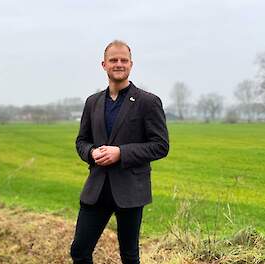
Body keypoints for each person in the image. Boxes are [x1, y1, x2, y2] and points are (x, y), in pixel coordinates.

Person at [70, 40, 170, 264]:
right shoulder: (92, 102)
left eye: (123, 60)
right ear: (103, 64)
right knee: (79, 251)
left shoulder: (148, 102)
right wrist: (91, 152)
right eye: (113, 60)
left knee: (129, 256)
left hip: (131, 191)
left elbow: (161, 145)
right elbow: (81, 141)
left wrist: (121, 153)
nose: (119, 64)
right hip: (96, 190)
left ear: (131, 64)